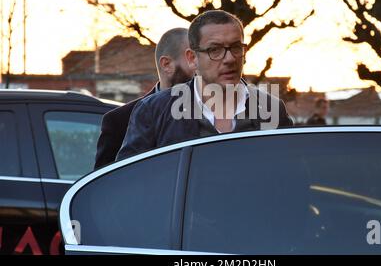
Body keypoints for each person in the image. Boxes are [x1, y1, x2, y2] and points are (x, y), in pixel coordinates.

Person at [116, 10, 293, 161]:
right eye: (214, 50)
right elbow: (129, 182)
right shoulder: (154, 111)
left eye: (236, 48)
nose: (230, 59)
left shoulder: (271, 109)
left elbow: (290, 177)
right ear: (192, 58)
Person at [94, 27, 194, 169]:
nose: (200, 66)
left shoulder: (213, 111)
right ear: (166, 64)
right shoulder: (119, 120)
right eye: (191, 58)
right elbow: (105, 184)